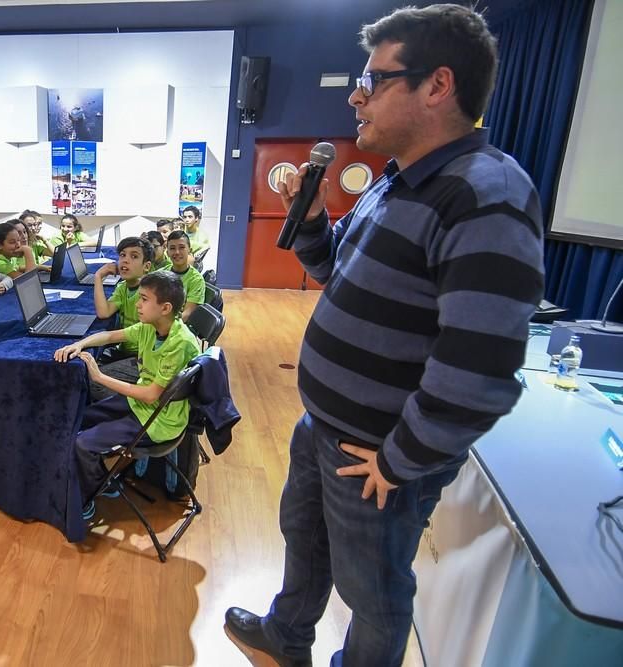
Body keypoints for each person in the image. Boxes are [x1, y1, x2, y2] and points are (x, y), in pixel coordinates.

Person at [222, 6, 545, 667]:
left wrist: (398, 460)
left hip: (376, 455)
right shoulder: (397, 181)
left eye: (373, 77)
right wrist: (311, 219)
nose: (355, 94)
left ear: (438, 86)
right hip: (324, 426)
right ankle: (288, 636)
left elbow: (479, 370)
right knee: (303, 538)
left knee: (373, 589)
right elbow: (330, 265)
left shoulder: (487, 194)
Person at [52, 271, 199, 519]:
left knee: (82, 443)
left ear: (165, 308)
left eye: (143, 299)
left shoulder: (179, 342)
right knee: (80, 417)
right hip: (143, 407)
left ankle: (90, 494)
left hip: (159, 422)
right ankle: (98, 477)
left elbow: (151, 395)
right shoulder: (151, 327)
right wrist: (81, 344)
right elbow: (110, 336)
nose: (137, 304)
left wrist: (100, 377)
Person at [88, 236, 154, 403]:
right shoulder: (123, 287)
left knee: (93, 382)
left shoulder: (151, 293)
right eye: (122, 255)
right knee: (85, 370)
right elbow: (104, 313)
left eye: (134, 256)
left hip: (144, 358)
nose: (125, 261)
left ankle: (130, 408)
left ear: (146, 266)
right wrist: (98, 278)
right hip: (126, 350)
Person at [165, 230, 205, 321]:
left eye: (182, 247)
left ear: (189, 251)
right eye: (172, 248)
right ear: (167, 252)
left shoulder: (196, 280)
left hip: (178, 327)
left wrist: (164, 327)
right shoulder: (161, 273)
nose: (177, 252)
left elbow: (187, 314)